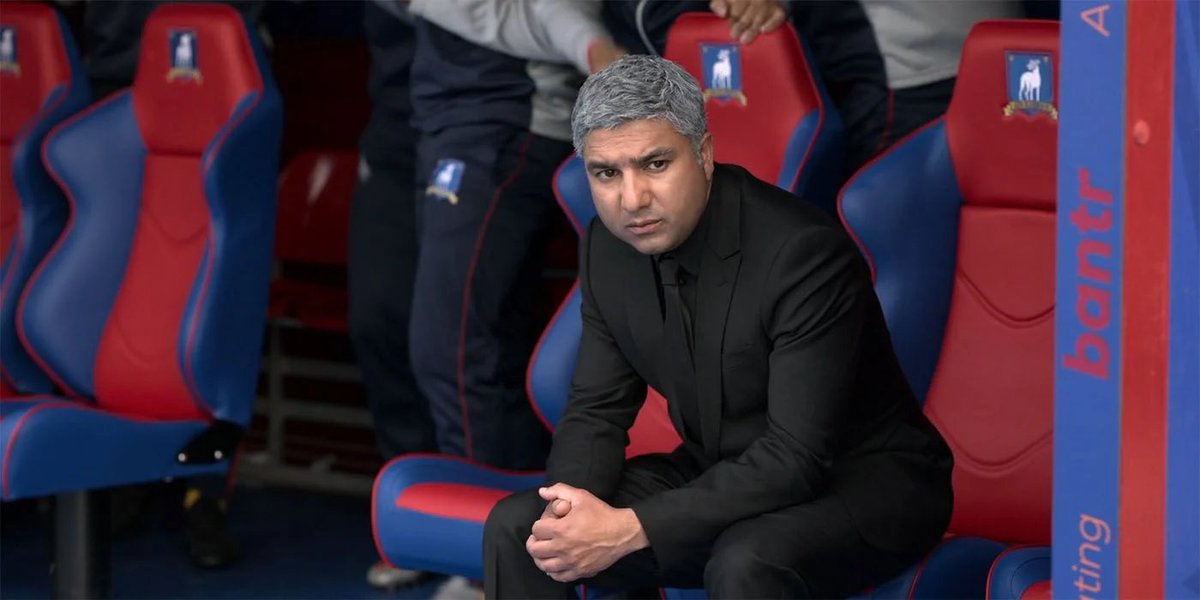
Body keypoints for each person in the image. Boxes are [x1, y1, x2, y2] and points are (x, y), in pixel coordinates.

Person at [483, 55, 954, 598]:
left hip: (865, 482)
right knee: (525, 530)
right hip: (723, 467)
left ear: (703, 154)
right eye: (606, 173)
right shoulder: (607, 248)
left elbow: (797, 458)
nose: (632, 199)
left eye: (655, 164)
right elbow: (596, 409)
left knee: (745, 560)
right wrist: (571, 513)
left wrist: (630, 528)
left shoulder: (802, 253)